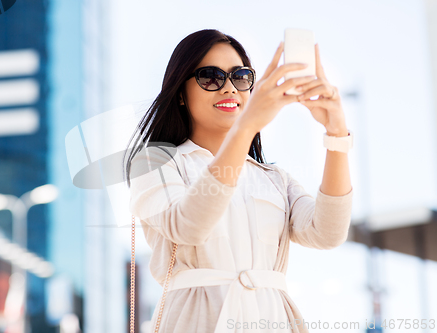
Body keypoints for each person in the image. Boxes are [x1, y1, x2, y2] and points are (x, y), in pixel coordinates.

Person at [125, 29, 353, 333]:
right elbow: (189, 225)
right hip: (197, 322)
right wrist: (245, 129)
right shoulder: (155, 163)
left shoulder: (273, 179)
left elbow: (328, 233)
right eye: (210, 77)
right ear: (180, 93)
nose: (229, 88)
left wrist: (336, 135)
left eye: (241, 77)